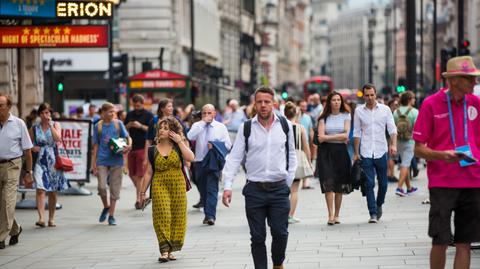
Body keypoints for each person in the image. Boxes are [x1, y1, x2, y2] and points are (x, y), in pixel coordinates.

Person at [413, 56, 480, 269]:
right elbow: (418, 149)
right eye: (468, 78)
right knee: (440, 240)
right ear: (452, 80)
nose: (473, 82)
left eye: (473, 78)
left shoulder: (476, 103)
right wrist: (443, 155)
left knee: (464, 243)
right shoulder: (431, 104)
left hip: (473, 181)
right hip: (442, 183)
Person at [222, 86, 297, 269]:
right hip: (254, 190)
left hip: (279, 189)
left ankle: (278, 263)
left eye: (267, 102)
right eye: (260, 102)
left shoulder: (285, 125)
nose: (263, 105)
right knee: (257, 237)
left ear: (274, 104)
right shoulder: (246, 128)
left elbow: (292, 156)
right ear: (254, 104)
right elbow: (234, 158)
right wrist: (227, 185)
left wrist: (287, 183)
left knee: (280, 233)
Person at [140, 116, 194, 263]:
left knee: (177, 217)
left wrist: (180, 141)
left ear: (173, 131)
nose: (162, 131)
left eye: (166, 128)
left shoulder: (178, 146)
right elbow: (149, 172)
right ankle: (164, 250)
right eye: (161, 128)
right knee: (162, 214)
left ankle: (171, 250)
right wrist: (142, 192)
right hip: (159, 184)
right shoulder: (152, 150)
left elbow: (191, 158)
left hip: (177, 185)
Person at [353, 83, 397, 224]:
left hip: (381, 150)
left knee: (383, 184)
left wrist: (393, 144)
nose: (370, 97)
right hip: (366, 151)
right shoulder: (359, 111)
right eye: (367, 95)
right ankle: (372, 212)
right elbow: (356, 132)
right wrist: (356, 152)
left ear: (375, 94)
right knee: (369, 183)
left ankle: (379, 204)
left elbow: (392, 129)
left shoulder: (385, 110)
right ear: (363, 96)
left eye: (372, 95)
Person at [187, 104, 231, 225]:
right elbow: (190, 136)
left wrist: (215, 145)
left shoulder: (220, 127)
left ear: (214, 113)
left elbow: (228, 145)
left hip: (213, 162)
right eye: (204, 113)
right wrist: (202, 123)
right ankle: (207, 211)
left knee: (212, 188)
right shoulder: (197, 125)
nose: (206, 115)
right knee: (203, 189)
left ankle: (210, 215)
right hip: (199, 162)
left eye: (209, 113)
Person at [0, 93, 33, 249]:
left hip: (13, 165)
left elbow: (27, 150)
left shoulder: (18, 123)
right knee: (2, 203)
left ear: (8, 107)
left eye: (1, 105)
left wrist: (28, 172)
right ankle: (15, 229)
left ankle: (1, 237)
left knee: (7, 201)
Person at [92, 102, 132, 226]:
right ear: (103, 113)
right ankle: (106, 206)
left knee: (114, 189)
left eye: (113, 111)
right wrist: (93, 164)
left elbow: (127, 137)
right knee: (101, 187)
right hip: (102, 159)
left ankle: (111, 215)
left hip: (116, 159)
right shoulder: (98, 126)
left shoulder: (118, 124)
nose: (113, 114)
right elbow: (95, 146)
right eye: (110, 111)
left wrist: (129, 145)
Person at [316, 92, 353, 225]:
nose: (336, 102)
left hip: (341, 153)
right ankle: (330, 215)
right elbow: (320, 137)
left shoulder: (346, 115)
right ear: (329, 102)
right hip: (326, 153)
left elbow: (346, 135)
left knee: (339, 184)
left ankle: (337, 214)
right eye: (334, 100)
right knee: (328, 183)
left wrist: (328, 137)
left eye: (338, 100)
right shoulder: (323, 118)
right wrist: (337, 136)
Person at [30, 103, 68, 228]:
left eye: (48, 113)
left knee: (52, 191)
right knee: (40, 189)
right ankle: (41, 218)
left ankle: (51, 218)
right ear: (40, 114)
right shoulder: (34, 128)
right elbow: (27, 144)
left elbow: (58, 139)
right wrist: (32, 147)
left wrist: (51, 125)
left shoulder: (56, 125)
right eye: (44, 113)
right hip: (40, 161)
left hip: (53, 160)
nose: (46, 115)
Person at [283, 102, 312, 224]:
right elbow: (306, 147)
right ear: (297, 113)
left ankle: (281, 215)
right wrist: (309, 162)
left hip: (283, 159)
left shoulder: (281, 126)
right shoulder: (300, 128)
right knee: (294, 190)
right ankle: (290, 216)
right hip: (297, 159)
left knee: (283, 189)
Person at [124, 95, 153, 209]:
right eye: (134, 105)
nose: (136, 107)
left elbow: (151, 131)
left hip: (143, 146)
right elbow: (124, 128)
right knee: (132, 174)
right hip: (131, 146)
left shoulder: (148, 115)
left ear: (142, 103)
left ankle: (139, 200)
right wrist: (129, 125)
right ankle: (143, 194)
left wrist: (140, 126)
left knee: (140, 175)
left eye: (138, 105)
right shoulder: (130, 114)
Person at [393, 91, 419, 196]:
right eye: (413, 98)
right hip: (410, 141)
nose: (415, 100)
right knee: (405, 163)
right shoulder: (415, 112)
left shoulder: (395, 112)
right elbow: (418, 128)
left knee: (405, 163)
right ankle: (399, 188)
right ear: (409, 100)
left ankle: (409, 188)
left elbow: (392, 127)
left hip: (398, 141)